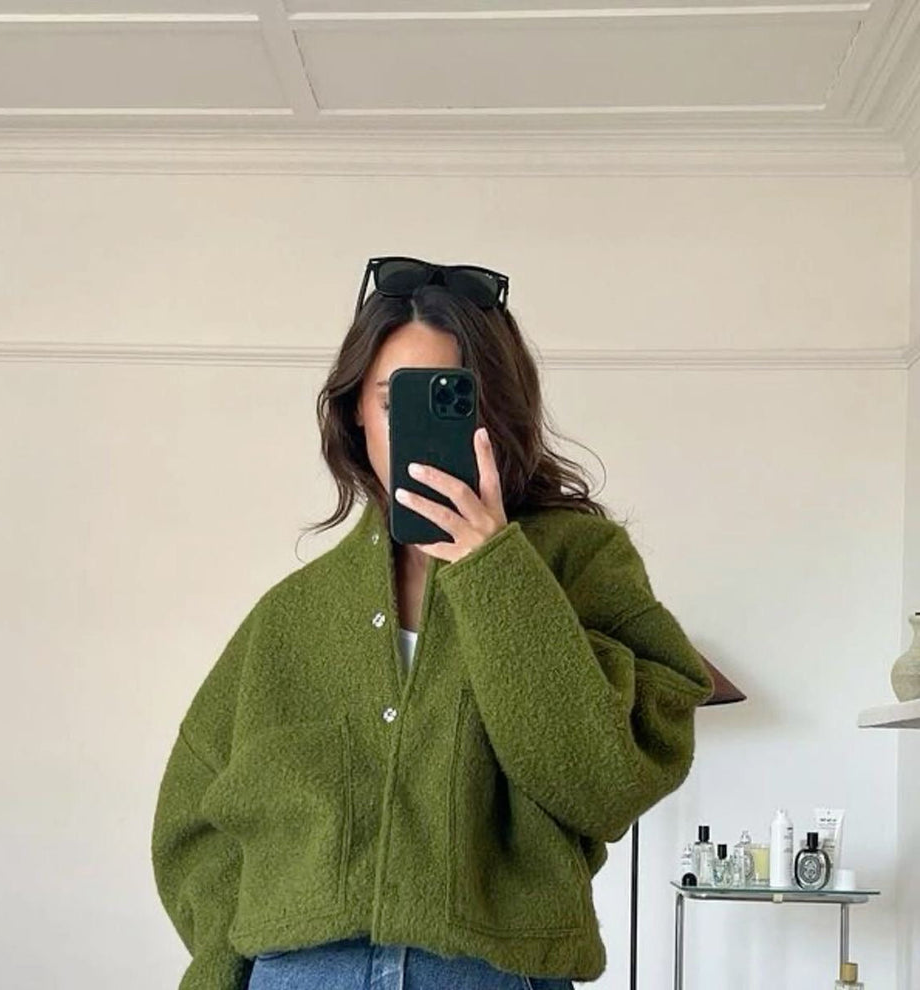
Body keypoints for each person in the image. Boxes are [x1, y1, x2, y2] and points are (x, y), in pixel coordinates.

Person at [151, 256, 715, 990]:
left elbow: (604, 784)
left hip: (487, 974)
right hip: (306, 973)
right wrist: (230, 967)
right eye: (394, 401)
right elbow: (193, 822)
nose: (415, 431)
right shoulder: (291, 615)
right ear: (356, 411)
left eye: (452, 400)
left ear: (496, 411)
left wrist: (494, 569)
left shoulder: (580, 564)